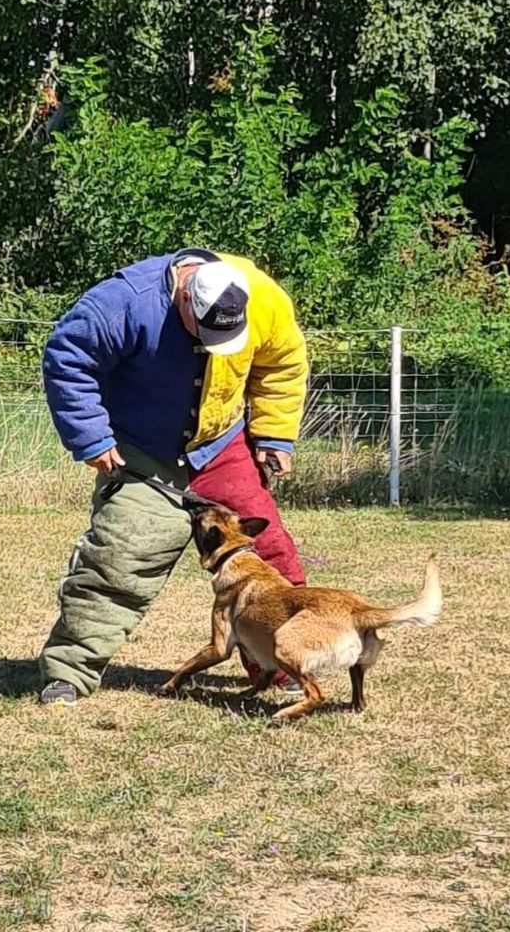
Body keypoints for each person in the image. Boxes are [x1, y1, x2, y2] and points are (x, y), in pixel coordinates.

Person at [38, 247, 308, 705]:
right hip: (142, 453)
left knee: (268, 554)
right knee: (118, 559)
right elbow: (67, 358)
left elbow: (280, 363)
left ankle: (288, 665)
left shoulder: (260, 294)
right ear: (185, 298)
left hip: (220, 445)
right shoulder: (122, 303)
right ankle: (70, 672)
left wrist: (274, 435)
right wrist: (92, 437)